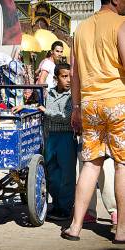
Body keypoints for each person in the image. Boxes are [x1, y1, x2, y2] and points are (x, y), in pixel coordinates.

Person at [61, 0, 125, 243]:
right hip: (118, 101)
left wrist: (76, 107)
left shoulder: (81, 30)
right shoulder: (121, 23)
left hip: (90, 104)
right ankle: (121, 230)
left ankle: (75, 226)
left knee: (90, 164)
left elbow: (74, 73)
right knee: (122, 164)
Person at [13, 63, 77, 220]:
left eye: (70, 77)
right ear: (56, 78)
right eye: (64, 76)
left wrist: (45, 111)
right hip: (49, 138)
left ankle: (66, 209)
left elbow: (67, 117)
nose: (68, 80)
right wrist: (24, 107)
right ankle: (57, 204)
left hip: (66, 138)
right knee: (52, 173)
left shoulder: (72, 96)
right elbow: (38, 107)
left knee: (66, 175)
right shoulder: (49, 94)